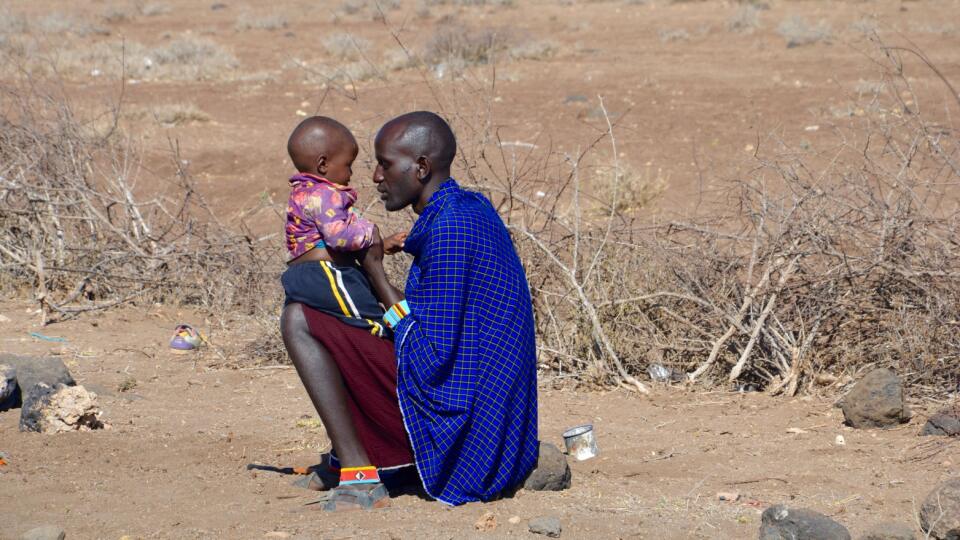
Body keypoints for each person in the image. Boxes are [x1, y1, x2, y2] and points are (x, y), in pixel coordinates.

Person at [280, 111, 539, 511]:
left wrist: (375, 269)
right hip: (483, 405)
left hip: (468, 430)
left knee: (300, 319)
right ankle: (346, 460)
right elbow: (430, 328)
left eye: (385, 164)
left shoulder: (451, 229)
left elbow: (431, 354)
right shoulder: (465, 209)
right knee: (335, 318)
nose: (376, 178)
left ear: (420, 167)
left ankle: (360, 475)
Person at [281, 116, 405, 337]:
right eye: (348, 165)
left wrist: (382, 245)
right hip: (325, 273)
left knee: (350, 314)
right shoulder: (325, 194)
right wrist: (370, 232)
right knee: (368, 320)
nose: (350, 173)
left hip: (306, 274)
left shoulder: (302, 191)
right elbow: (339, 239)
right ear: (323, 164)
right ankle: (396, 343)